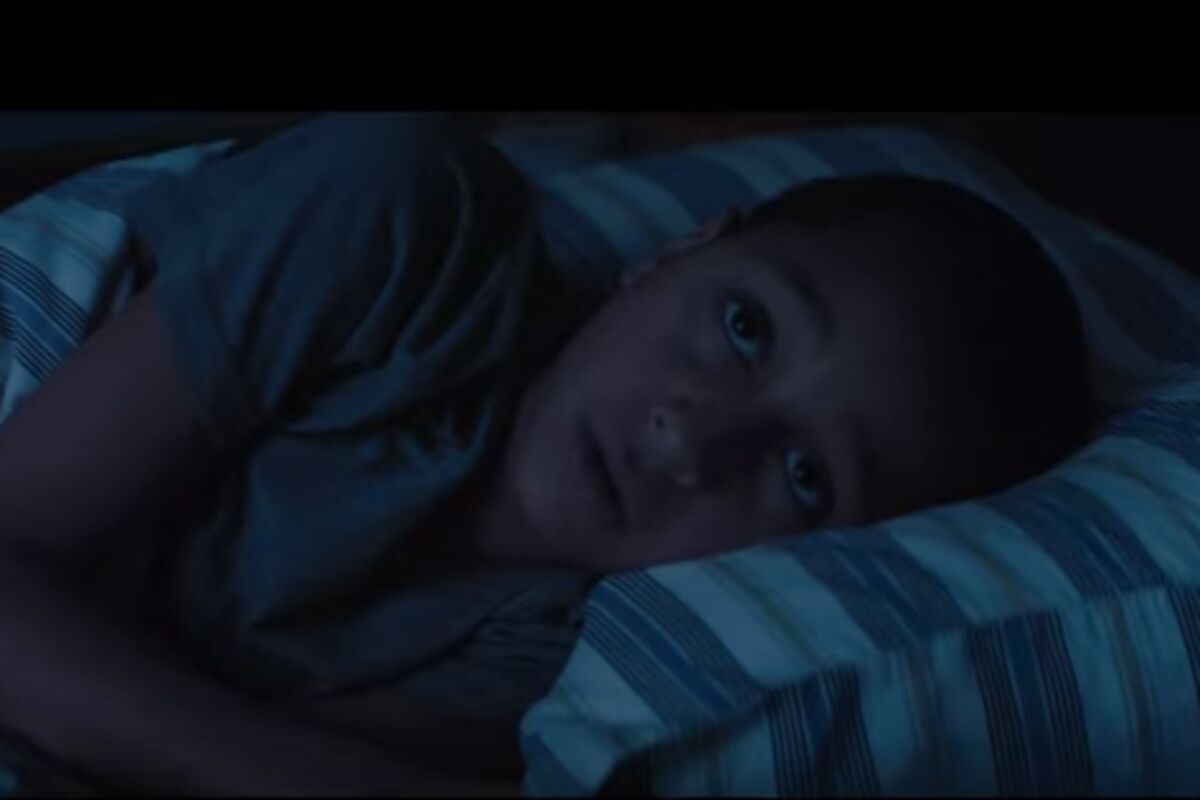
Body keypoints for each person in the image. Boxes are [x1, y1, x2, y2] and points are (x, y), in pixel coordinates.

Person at [0, 113, 1090, 795]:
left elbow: (176, 762)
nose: (690, 438)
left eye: (805, 476)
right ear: (681, 251)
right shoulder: (399, 222)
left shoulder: (563, 658)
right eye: (744, 326)